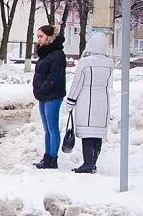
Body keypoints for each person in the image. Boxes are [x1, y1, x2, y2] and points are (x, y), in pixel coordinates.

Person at [64, 33, 114, 174]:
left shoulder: (85, 62)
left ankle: (87, 164)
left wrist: (70, 101)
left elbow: (77, 83)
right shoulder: (109, 63)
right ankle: (93, 163)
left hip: (86, 101)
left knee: (87, 134)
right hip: (103, 101)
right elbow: (110, 83)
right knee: (97, 134)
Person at [32, 25, 67, 169]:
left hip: (52, 96)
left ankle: (53, 159)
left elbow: (54, 77)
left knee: (53, 128)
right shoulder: (45, 53)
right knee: (47, 129)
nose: (38, 39)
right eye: (38, 36)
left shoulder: (57, 54)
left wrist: (42, 89)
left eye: (41, 36)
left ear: (49, 37)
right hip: (43, 95)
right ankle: (47, 156)